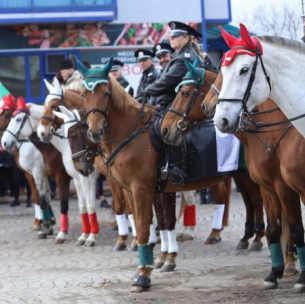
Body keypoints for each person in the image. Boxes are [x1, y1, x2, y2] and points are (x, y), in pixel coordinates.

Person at [144, 21, 216, 184]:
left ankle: (177, 167)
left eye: (176, 36)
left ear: (186, 38)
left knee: (170, 127)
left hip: (183, 104)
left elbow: (168, 82)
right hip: (174, 101)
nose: (172, 38)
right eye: (171, 35)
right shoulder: (179, 56)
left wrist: (147, 90)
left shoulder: (187, 57)